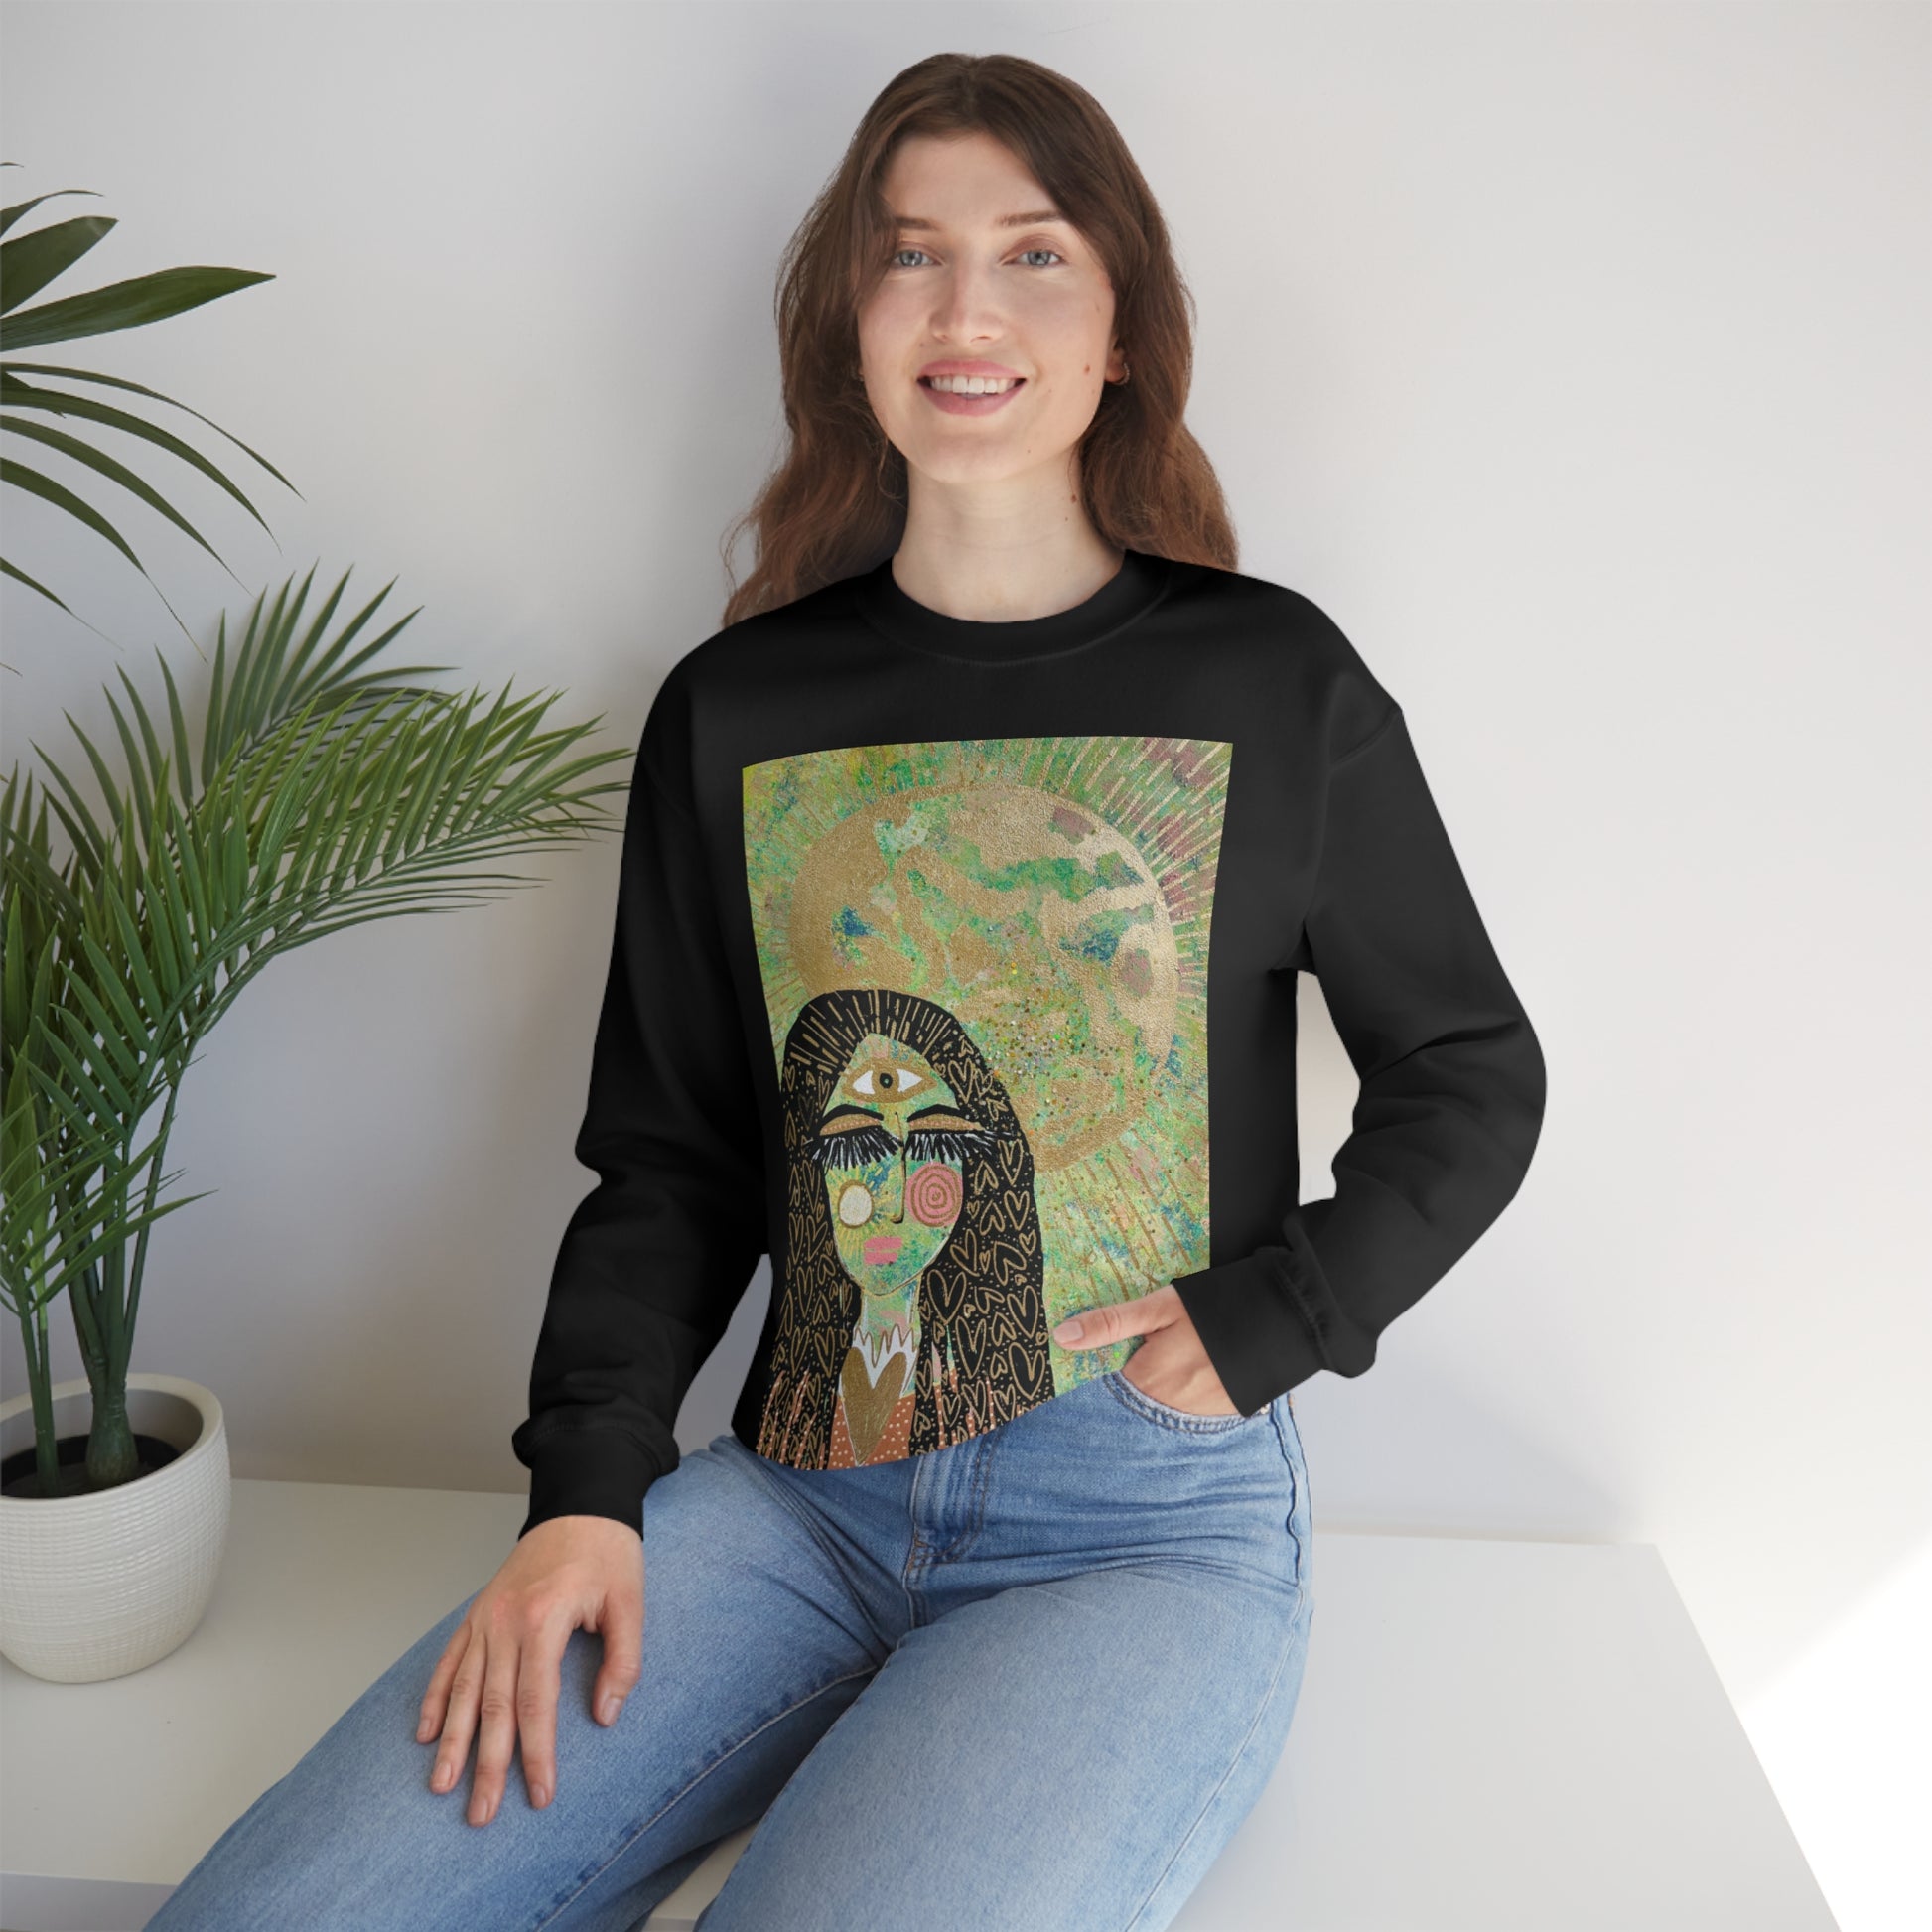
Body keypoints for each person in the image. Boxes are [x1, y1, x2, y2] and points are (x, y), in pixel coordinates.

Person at [146, 50, 1546, 1932]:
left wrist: (1284, 1309)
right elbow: (673, 1157)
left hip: (1135, 1526)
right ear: (849, 323)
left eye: (1032, 254)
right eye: (909, 255)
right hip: (793, 1495)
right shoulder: (737, 708)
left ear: (1120, 327)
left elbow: (1467, 1067)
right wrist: (585, 1492)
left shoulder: (1272, 683)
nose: (966, 309)